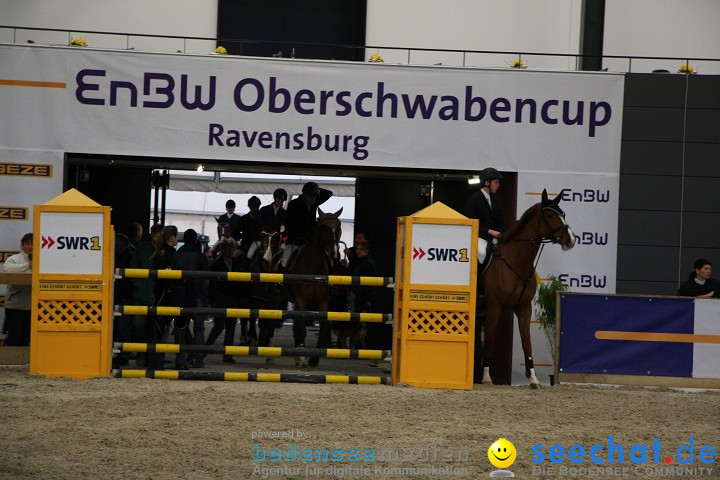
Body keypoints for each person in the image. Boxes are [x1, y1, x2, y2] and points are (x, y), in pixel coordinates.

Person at [174, 228, 209, 368]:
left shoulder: (177, 254)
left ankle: (181, 359)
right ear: (195, 240)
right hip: (198, 295)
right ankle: (197, 358)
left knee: (181, 328)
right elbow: (206, 278)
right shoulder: (200, 256)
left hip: (182, 295)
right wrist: (205, 295)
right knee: (199, 329)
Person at [205, 238, 244, 362]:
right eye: (228, 248)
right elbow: (212, 285)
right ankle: (203, 351)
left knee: (231, 327)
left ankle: (227, 355)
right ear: (222, 249)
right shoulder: (216, 265)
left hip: (232, 298)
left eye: (232, 248)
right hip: (221, 298)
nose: (231, 250)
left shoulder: (236, 263)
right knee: (219, 326)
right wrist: (212, 300)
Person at [281, 181, 333, 269]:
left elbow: (329, 193)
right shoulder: (293, 204)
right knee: (285, 261)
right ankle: (279, 282)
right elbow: (289, 223)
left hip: (311, 242)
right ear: (304, 194)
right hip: (296, 241)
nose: (313, 199)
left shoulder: (315, 202)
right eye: (310, 195)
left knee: (329, 260)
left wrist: (315, 190)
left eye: (315, 196)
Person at [465, 167, 506, 264]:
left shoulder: (496, 200)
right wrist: (489, 231)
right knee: (482, 254)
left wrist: (502, 233)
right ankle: (478, 277)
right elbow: (470, 224)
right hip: (480, 237)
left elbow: (501, 221)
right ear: (487, 183)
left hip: (495, 238)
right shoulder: (473, 200)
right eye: (496, 182)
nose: (498, 185)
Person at [3, 233, 33, 346]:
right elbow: (6, 269)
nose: (30, 247)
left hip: (32, 308)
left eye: (33, 244)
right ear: (22, 246)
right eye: (27, 244)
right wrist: (28, 266)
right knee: (14, 338)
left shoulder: (42, 259)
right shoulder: (14, 259)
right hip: (15, 307)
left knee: (26, 339)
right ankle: (11, 363)